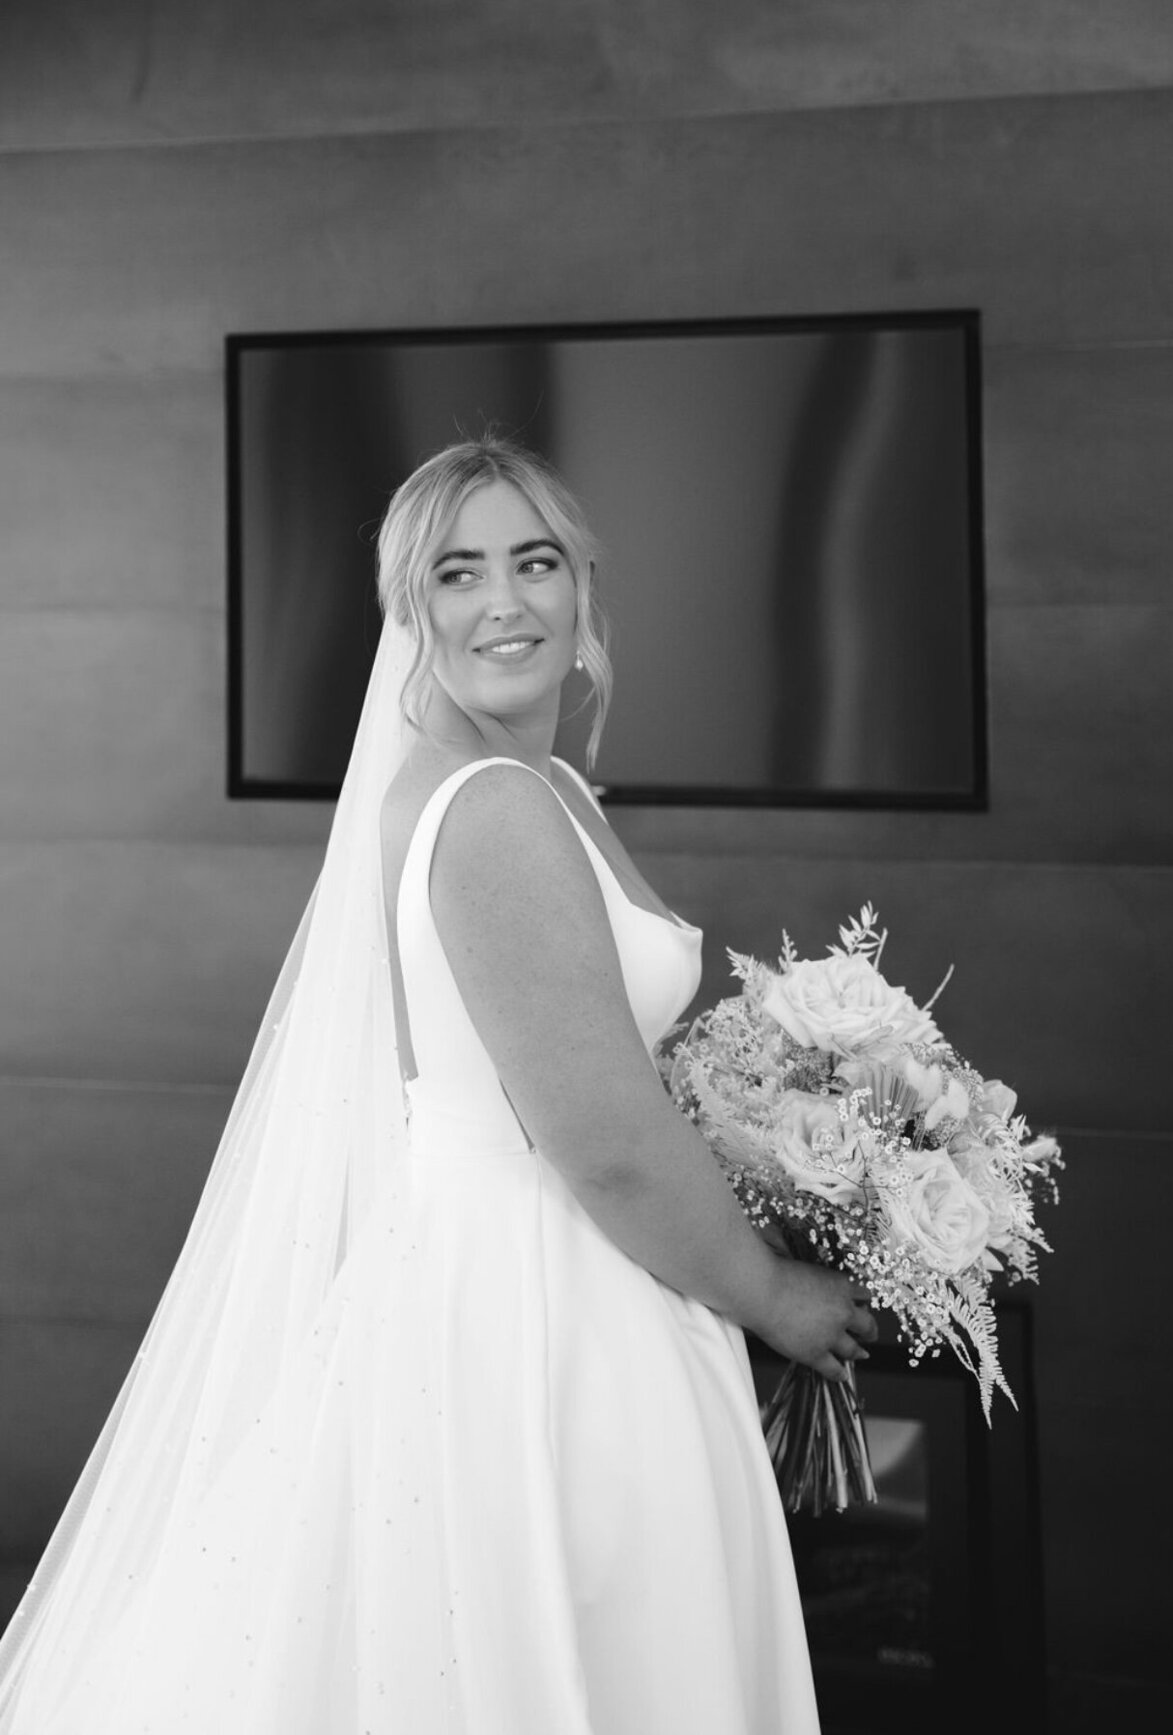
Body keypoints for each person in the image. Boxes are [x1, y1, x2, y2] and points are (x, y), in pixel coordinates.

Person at [0, 436, 875, 1733]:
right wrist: (778, 1298)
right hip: (536, 1308)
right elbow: (601, 1141)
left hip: (575, 1277)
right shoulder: (492, 809)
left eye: (534, 562)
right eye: (457, 573)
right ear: (413, 615)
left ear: (583, 594)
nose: (503, 602)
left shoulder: (551, 788)